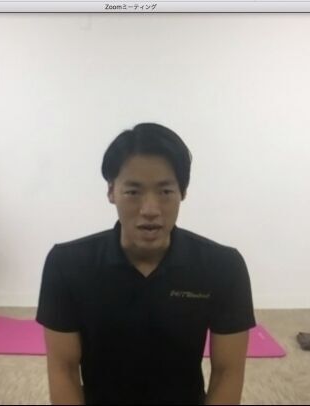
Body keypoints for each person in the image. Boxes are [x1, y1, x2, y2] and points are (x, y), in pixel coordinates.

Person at [36, 123, 256, 405]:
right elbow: (63, 369)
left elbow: (228, 372)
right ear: (111, 191)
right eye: (133, 192)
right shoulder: (66, 265)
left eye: (165, 192)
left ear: (183, 192)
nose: (150, 210)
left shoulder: (223, 267)